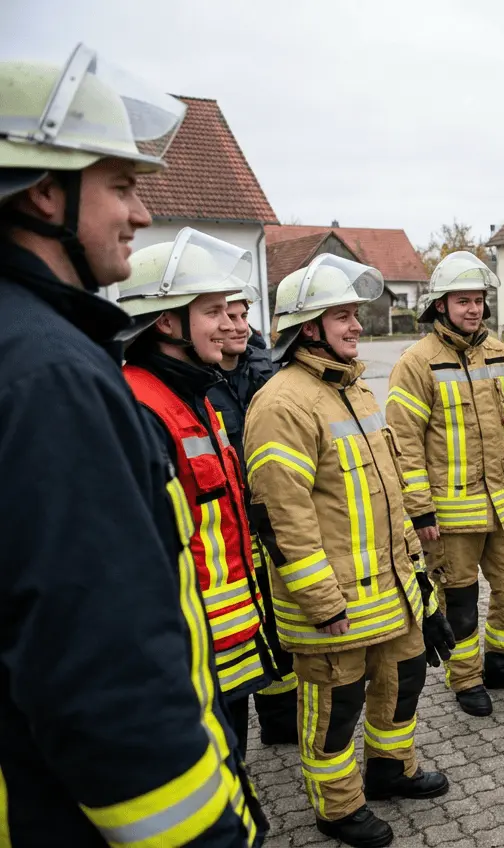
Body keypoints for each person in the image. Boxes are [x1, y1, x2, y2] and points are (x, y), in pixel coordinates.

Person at [0, 43, 265, 846]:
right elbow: (102, 666)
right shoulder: (53, 375)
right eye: (120, 186)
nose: (142, 214)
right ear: (46, 193)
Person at [245, 254, 454, 848]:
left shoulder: (355, 388)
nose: (357, 325)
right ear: (308, 326)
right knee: (337, 706)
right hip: (334, 600)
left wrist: (419, 578)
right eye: (343, 316)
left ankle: (391, 769)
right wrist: (319, 600)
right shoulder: (282, 403)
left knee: (404, 676)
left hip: (390, 589)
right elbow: (283, 519)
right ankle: (336, 807)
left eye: (357, 314)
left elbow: (388, 494)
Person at [115, 229, 277, 760]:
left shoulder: (193, 396)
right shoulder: (141, 407)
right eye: (212, 312)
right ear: (168, 320)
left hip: (221, 636)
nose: (230, 324)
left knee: (232, 757)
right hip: (187, 648)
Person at [385, 250, 504, 717]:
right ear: (440, 305)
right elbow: (405, 444)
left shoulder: (498, 354)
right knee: (460, 602)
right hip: (449, 515)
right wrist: (419, 510)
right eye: (463, 301)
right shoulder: (415, 364)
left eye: (478, 300)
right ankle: (467, 678)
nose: (473, 309)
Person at [208, 284, 299, 746]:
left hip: (268, 521)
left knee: (279, 623)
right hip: (227, 534)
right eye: (229, 316)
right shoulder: (197, 382)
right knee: (242, 633)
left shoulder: (267, 369)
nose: (240, 325)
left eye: (245, 316)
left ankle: (281, 722)